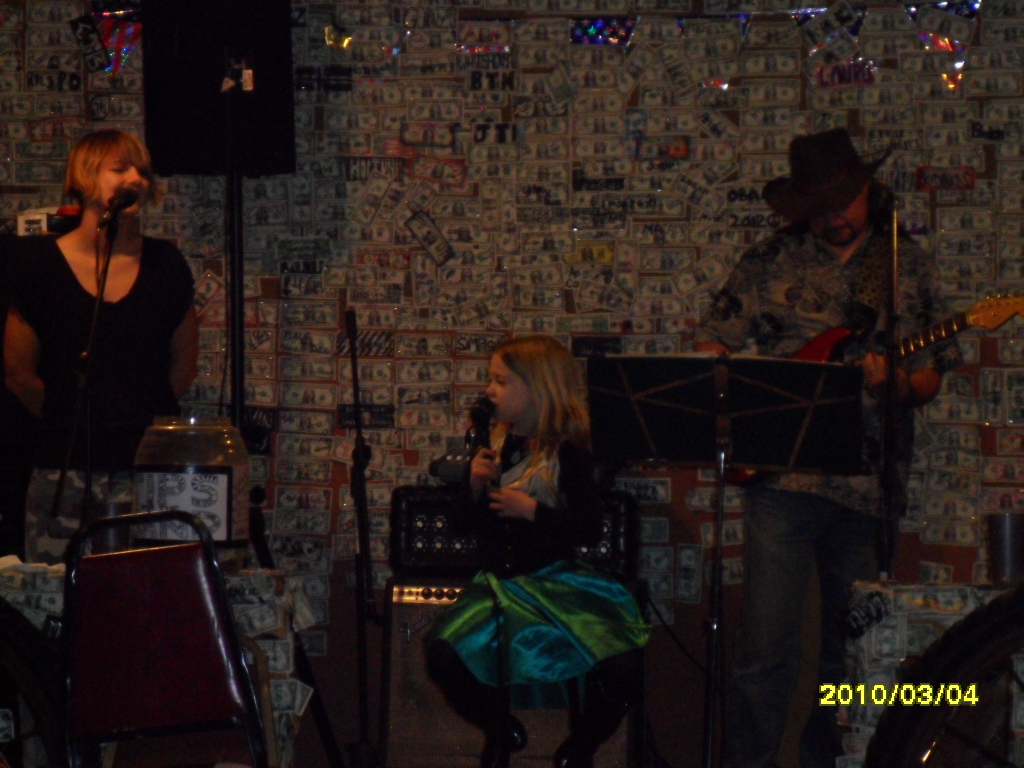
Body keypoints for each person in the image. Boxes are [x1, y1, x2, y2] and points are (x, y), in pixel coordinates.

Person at [693, 129, 961, 768]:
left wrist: (897, 384)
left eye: (844, 200)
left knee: (853, 656)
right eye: (819, 204)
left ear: (869, 191)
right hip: (782, 482)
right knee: (765, 650)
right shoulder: (768, 260)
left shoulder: (905, 264)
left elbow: (930, 374)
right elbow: (712, 346)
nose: (834, 215)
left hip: (869, 484)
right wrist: (737, 391)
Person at [425, 336, 650, 768]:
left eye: (501, 381)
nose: (490, 390)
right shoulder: (495, 444)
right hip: (499, 585)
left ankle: (581, 747)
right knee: (443, 652)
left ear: (537, 389)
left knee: (622, 665)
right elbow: (463, 527)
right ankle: (499, 729)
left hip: (557, 582)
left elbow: (588, 527)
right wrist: (472, 487)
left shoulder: (569, 453)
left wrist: (532, 512)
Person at [4, 129, 198, 564]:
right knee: (54, 600)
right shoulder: (39, 265)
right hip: (62, 469)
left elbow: (184, 363)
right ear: (86, 177)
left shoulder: (165, 265)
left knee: (139, 597)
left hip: (143, 468)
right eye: (120, 168)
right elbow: (18, 371)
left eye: (143, 171)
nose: (135, 178)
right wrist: (66, 418)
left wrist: (134, 421)